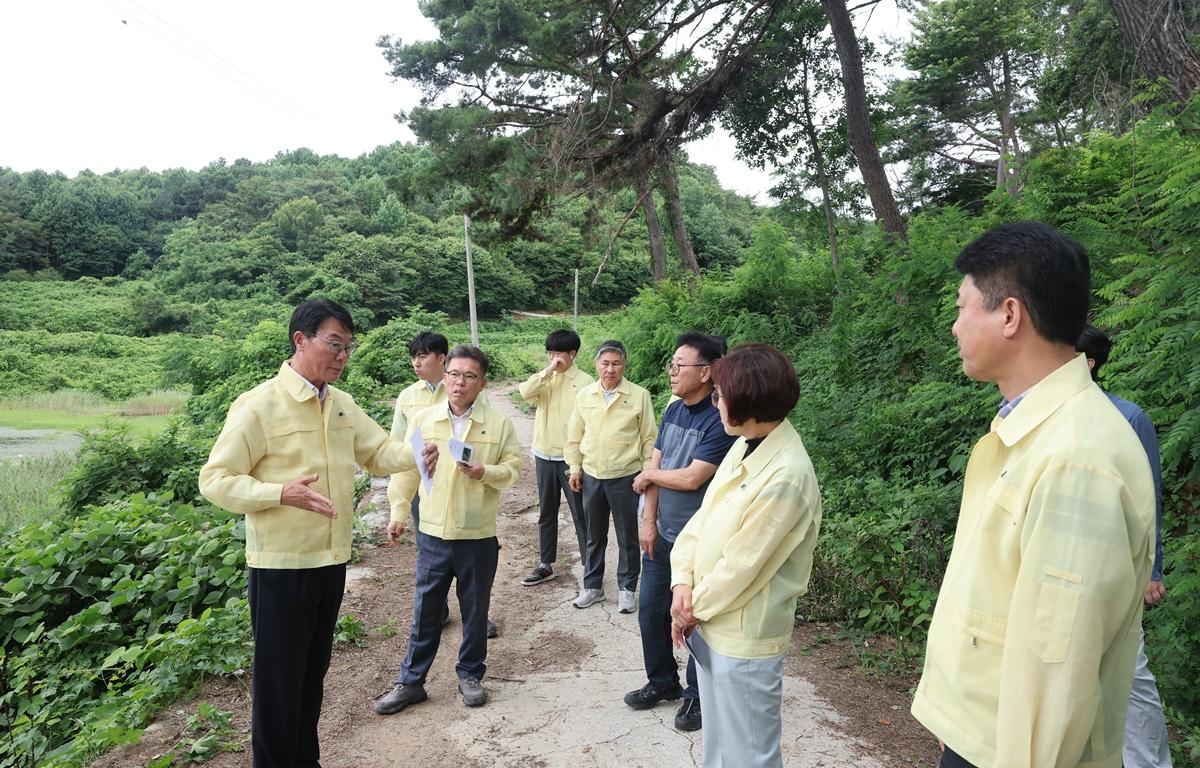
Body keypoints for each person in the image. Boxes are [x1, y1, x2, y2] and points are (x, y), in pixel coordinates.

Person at [910, 222, 1156, 768]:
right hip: (983, 732)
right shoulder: (1036, 430)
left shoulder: (1078, 457)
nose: (954, 327)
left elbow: (1055, 664)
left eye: (962, 307)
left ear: (1009, 315)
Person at [198, 298, 438, 768]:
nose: (342, 356)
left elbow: (378, 454)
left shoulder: (342, 405)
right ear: (300, 339)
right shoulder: (259, 405)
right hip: (280, 567)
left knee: (311, 677)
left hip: (330, 562)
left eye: (348, 348)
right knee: (277, 684)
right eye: (334, 344)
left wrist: (417, 455)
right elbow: (216, 480)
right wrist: (278, 493)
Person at [669, 343, 822, 768]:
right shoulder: (746, 442)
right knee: (718, 746)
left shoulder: (786, 476)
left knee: (749, 755)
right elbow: (701, 521)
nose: (715, 401)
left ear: (749, 403)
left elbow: (742, 566)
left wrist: (687, 610)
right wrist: (681, 582)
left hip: (744, 636)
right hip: (710, 622)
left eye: (721, 394)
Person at [375, 345, 522, 713]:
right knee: (426, 610)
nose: (459, 382)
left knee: (474, 610)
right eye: (454, 374)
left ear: (483, 383)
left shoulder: (498, 423)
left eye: (469, 376)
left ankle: (470, 675)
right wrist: (397, 512)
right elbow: (407, 470)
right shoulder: (424, 419)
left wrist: (484, 472)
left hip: (477, 535)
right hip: (433, 533)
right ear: (445, 376)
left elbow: (513, 469)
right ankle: (411, 682)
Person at [624, 332, 736, 732]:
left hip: (702, 543)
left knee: (693, 618)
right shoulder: (673, 409)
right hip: (664, 535)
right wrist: (648, 520)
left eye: (680, 365)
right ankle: (662, 682)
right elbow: (657, 465)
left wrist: (649, 475)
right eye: (671, 364)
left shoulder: (721, 419)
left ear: (706, 372)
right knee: (651, 613)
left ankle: (697, 697)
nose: (672, 371)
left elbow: (691, 478)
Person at [1076, 324, 1173, 768]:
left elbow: (1147, 495)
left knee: (1130, 674)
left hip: (1115, 566)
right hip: (1061, 563)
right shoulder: (1038, 412)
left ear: (1088, 363)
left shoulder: (1129, 417)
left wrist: (1152, 569)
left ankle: (1148, 763)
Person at [387, 331, 497, 637]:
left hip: (464, 491)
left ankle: (475, 617)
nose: (416, 363)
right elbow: (398, 450)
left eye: (423, 356)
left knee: (469, 560)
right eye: (413, 357)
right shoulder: (408, 397)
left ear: (441, 360)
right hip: (426, 491)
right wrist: (397, 507)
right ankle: (439, 612)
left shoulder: (468, 391)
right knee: (431, 556)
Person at [565, 340, 657, 612]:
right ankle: (593, 587)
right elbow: (574, 436)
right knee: (594, 534)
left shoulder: (639, 395)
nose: (610, 369)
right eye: (605, 363)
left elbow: (649, 439)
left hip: (625, 477)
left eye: (616, 363)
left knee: (627, 535)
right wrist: (574, 468)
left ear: (624, 365)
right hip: (592, 475)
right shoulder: (584, 395)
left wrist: (647, 474)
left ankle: (627, 588)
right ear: (596, 365)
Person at [517, 329, 594, 587]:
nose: (553, 357)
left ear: (573, 354)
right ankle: (545, 564)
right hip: (543, 455)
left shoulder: (586, 383)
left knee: (580, 514)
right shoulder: (546, 378)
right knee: (546, 513)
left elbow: (588, 424)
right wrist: (548, 370)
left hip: (571, 459)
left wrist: (579, 463)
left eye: (558, 353)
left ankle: (589, 566)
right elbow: (525, 393)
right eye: (549, 352)